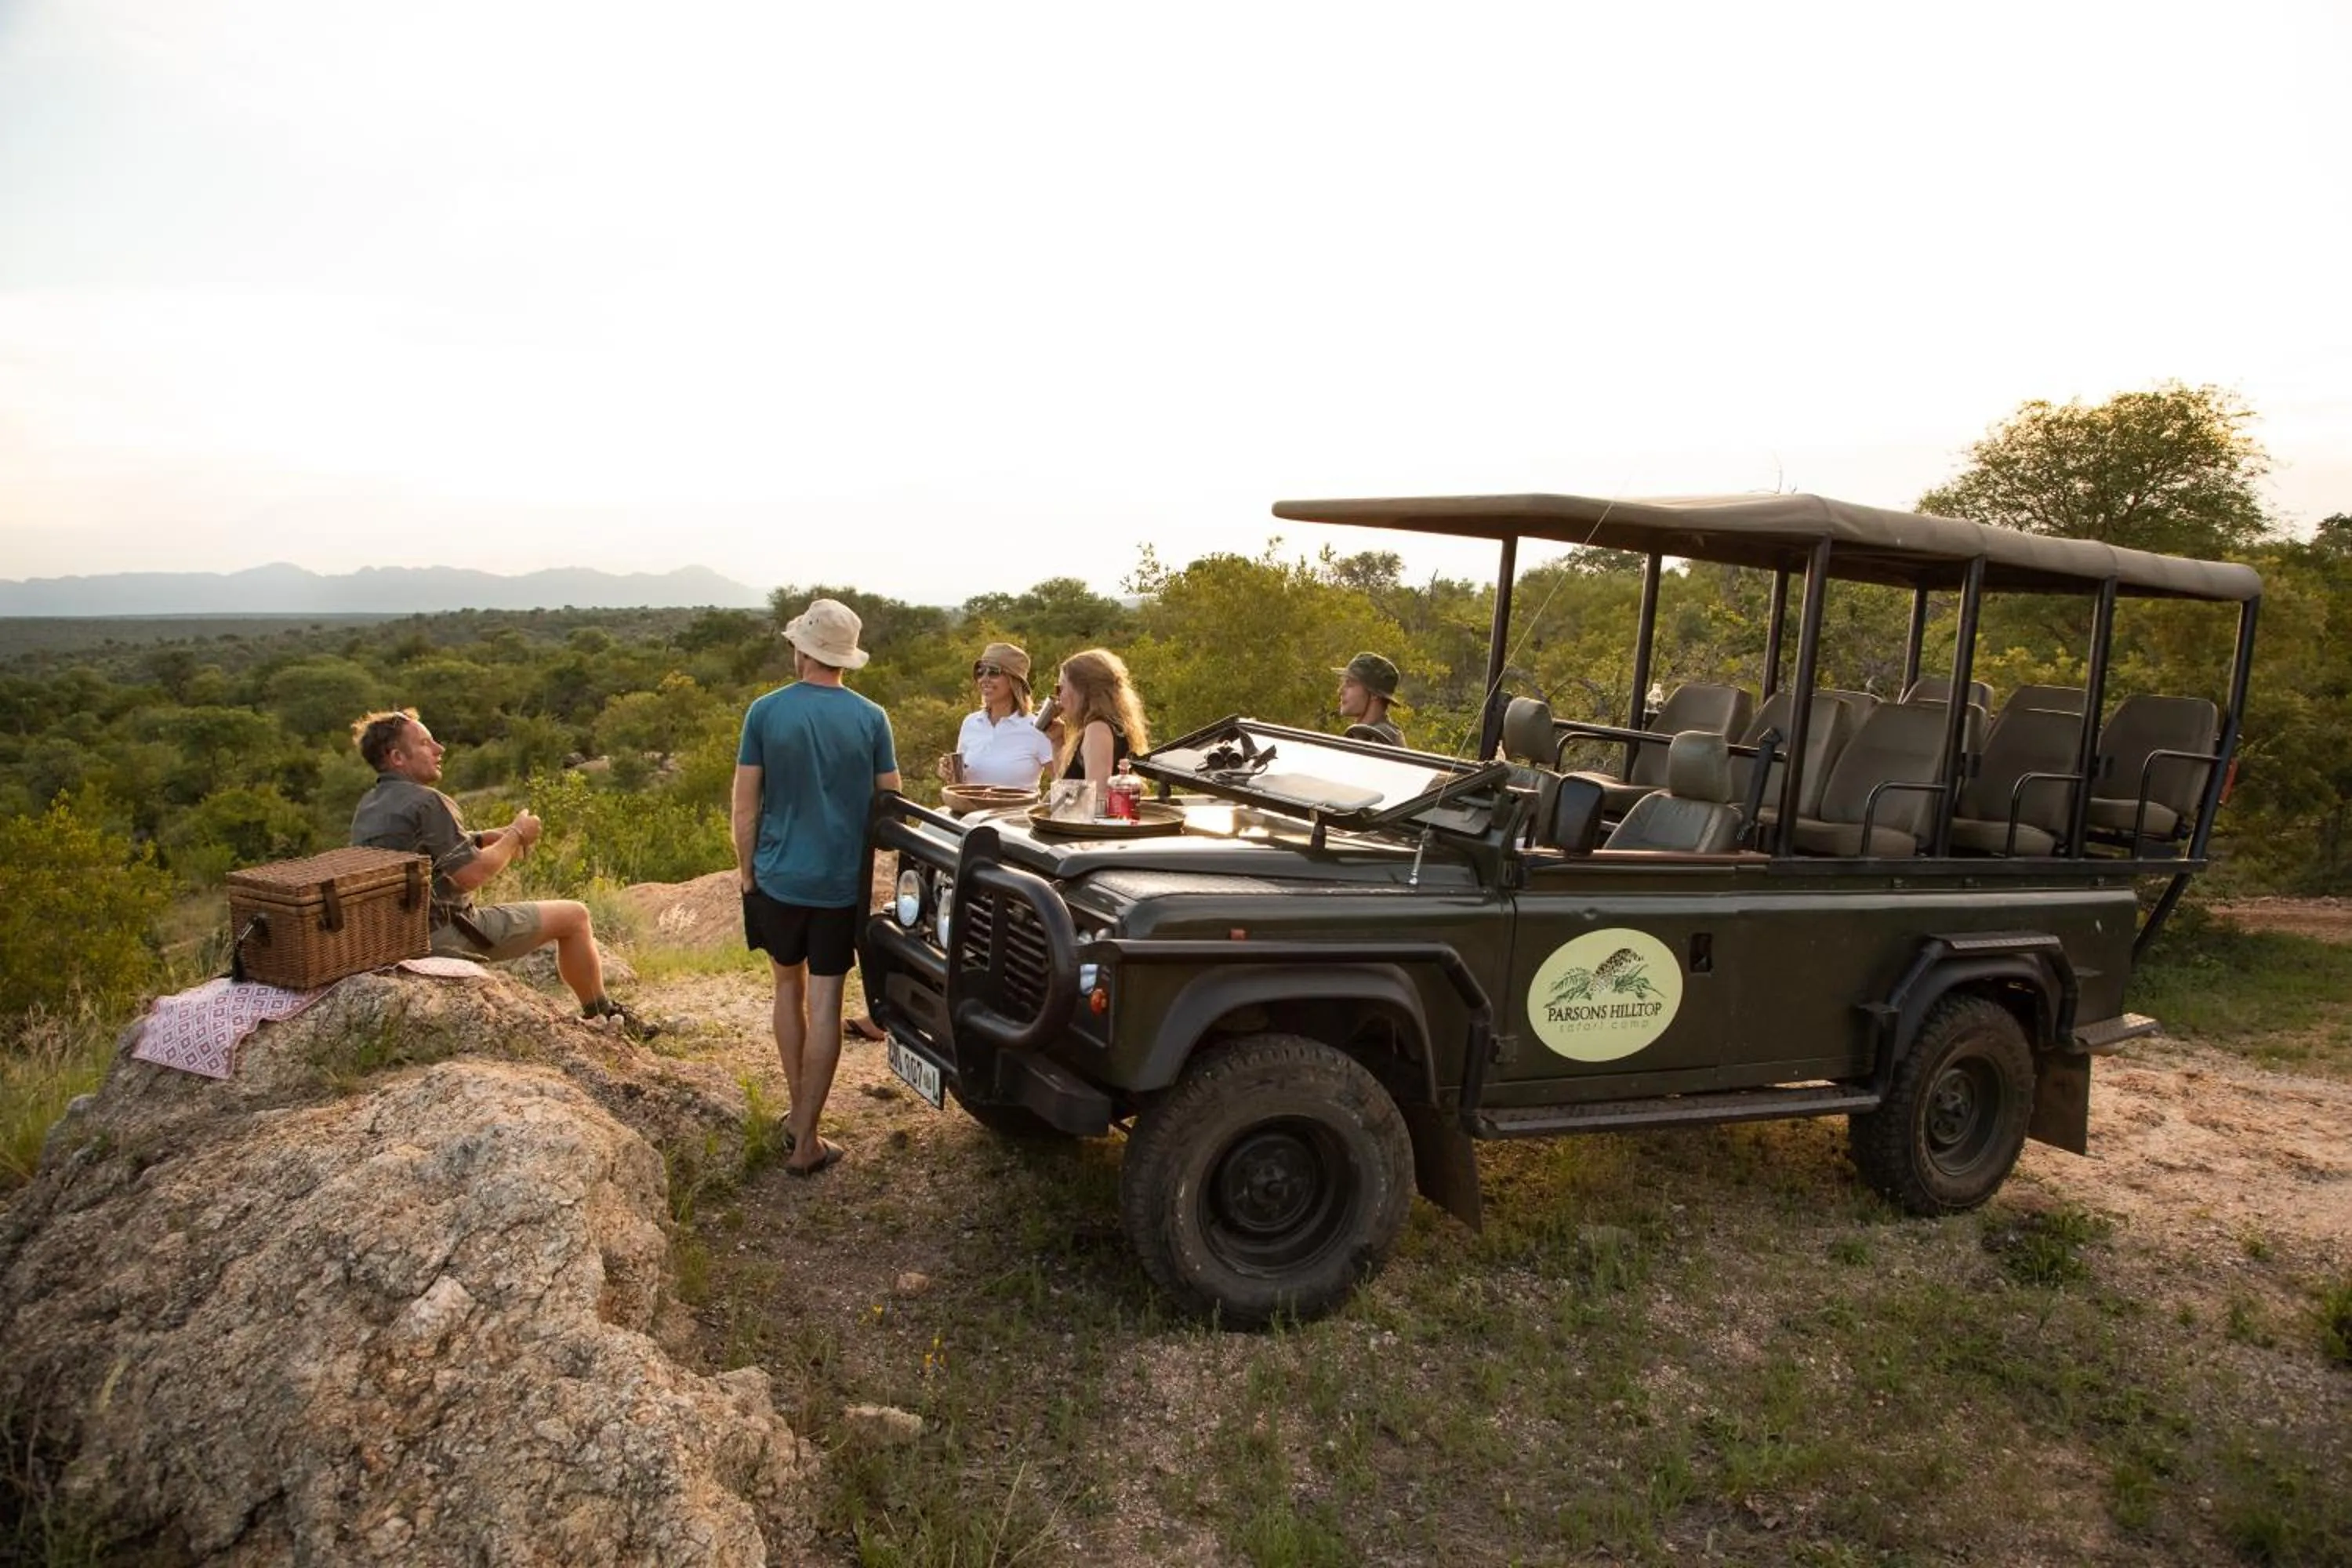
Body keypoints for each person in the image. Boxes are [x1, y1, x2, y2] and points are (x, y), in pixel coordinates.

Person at [349, 708, 654, 1038]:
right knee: (575, 916)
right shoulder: (428, 801)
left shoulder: (370, 804)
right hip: (442, 934)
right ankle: (603, 1015)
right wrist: (517, 835)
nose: (440, 749)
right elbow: (472, 874)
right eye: (426, 743)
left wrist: (484, 836)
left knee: (569, 914)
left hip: (395, 936)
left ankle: (603, 1014)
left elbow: (420, 848)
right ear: (397, 757)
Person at [733, 597, 901, 1178]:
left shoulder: (764, 712)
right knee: (827, 1000)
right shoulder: (871, 718)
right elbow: (890, 805)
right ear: (845, 658)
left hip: (779, 875)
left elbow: (745, 804)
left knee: (787, 988)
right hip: (838, 882)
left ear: (802, 649)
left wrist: (749, 872)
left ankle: (798, 1119)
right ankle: (807, 1134)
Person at [938, 640, 1054, 789]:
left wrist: (1042, 809)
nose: (984, 679)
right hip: (968, 811)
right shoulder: (971, 722)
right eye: (980, 672)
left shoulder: (1037, 727)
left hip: (1016, 812)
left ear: (1014, 680)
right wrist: (948, 772)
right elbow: (960, 783)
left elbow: (1063, 781)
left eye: (993, 672)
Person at [1049, 648, 1151, 782]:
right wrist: (1057, 742)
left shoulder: (1097, 729)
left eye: (1060, 688)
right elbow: (1064, 789)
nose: (1058, 697)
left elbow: (1098, 795)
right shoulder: (1109, 726)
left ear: (1082, 690)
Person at [1334, 652, 1406, 746]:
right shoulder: (1362, 735)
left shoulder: (1382, 740)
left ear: (1374, 694)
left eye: (1350, 683)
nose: (1340, 691)